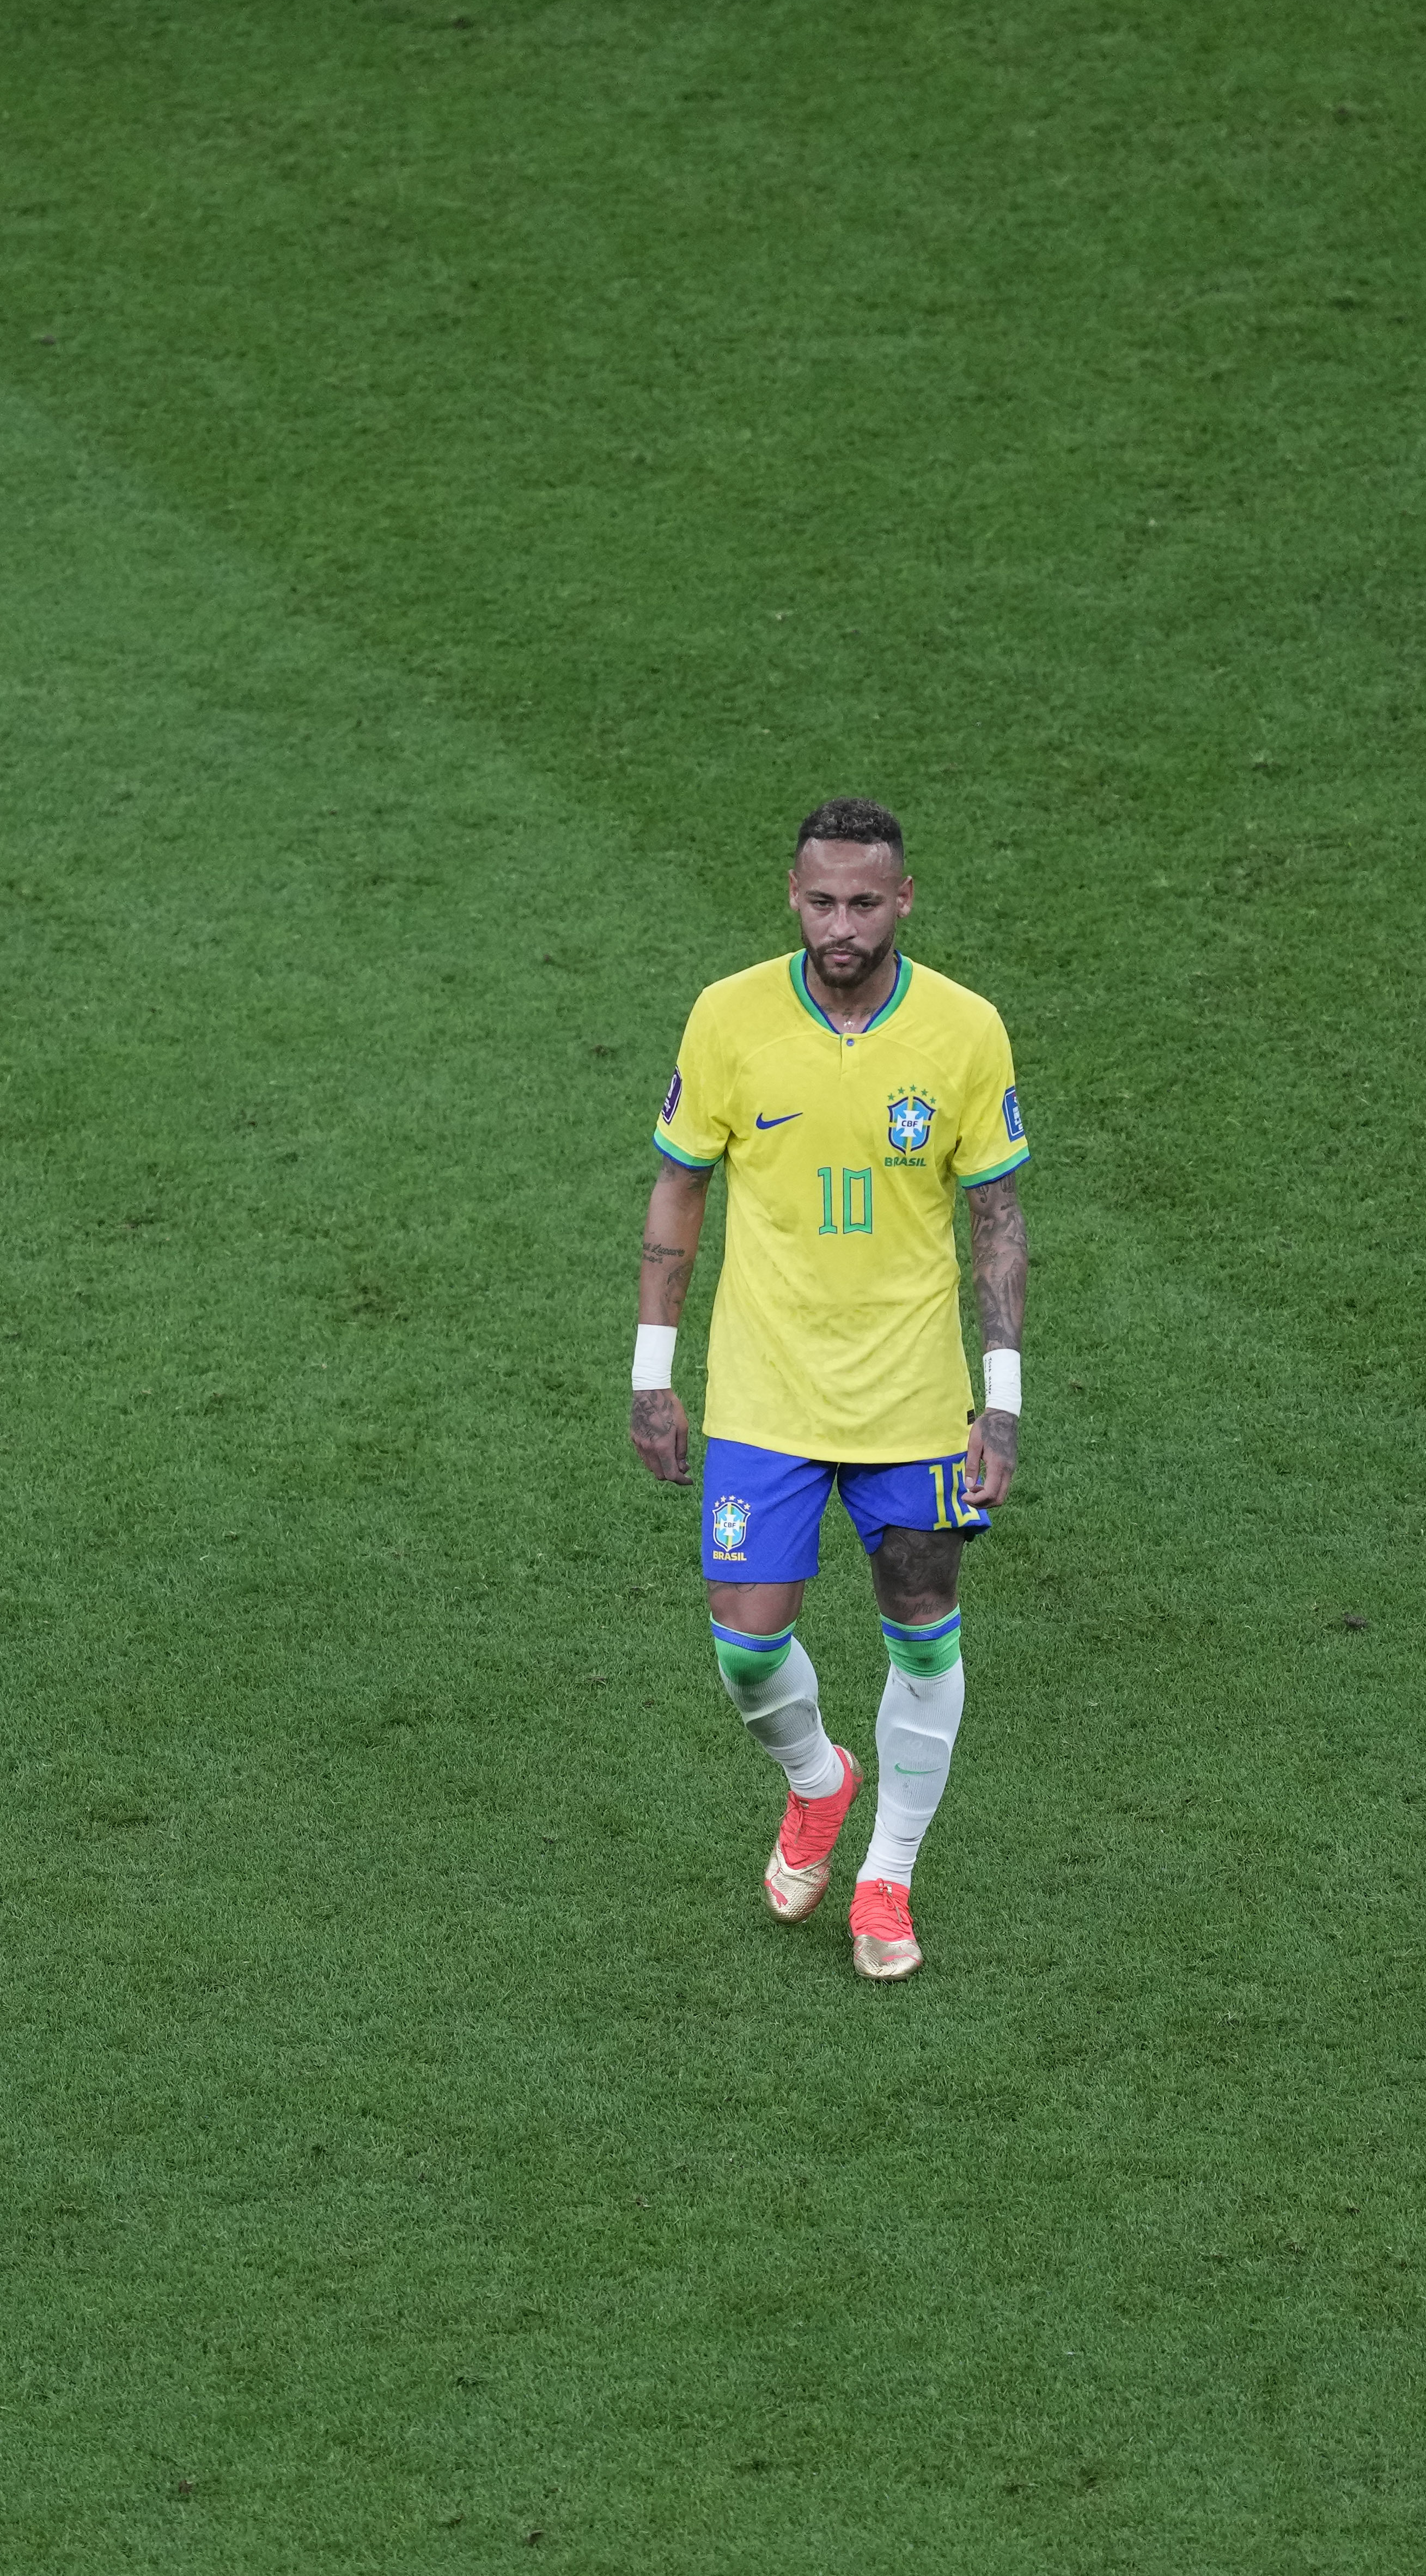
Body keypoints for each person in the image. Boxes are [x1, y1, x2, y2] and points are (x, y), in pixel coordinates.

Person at [629, 798, 1030, 1980]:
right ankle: (818, 1779)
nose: (841, 925)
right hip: (766, 1390)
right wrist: (652, 1376)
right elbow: (678, 1189)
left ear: (904, 899)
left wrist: (1002, 1401)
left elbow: (997, 1217)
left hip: (913, 1399)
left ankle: (886, 1877)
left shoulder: (964, 1029)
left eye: (864, 902)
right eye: (820, 901)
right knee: (746, 1646)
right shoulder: (729, 1015)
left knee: (921, 1624)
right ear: (791, 896)